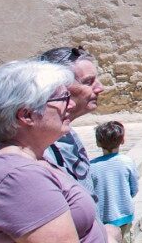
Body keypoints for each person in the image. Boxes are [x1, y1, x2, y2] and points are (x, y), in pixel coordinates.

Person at [0, 59, 108, 243]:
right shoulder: (18, 180)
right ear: (26, 115)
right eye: (63, 99)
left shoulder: (26, 156)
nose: (71, 105)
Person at [37, 47, 105, 199]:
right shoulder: (43, 148)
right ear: (59, 87)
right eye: (88, 82)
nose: (100, 88)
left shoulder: (65, 133)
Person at [89, 121, 139, 240]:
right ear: (122, 140)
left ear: (97, 143)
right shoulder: (127, 162)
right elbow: (134, 189)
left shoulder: (91, 166)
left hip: (102, 217)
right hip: (124, 214)